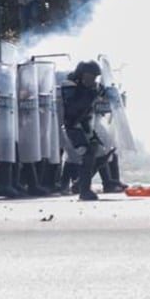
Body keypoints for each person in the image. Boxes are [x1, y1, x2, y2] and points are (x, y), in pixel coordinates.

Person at [60, 60, 104, 201]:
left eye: (94, 77)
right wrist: (92, 94)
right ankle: (84, 190)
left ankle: (80, 183)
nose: (92, 80)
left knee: (101, 152)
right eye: (89, 77)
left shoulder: (90, 87)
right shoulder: (69, 85)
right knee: (85, 153)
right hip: (71, 125)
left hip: (84, 125)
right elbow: (73, 108)